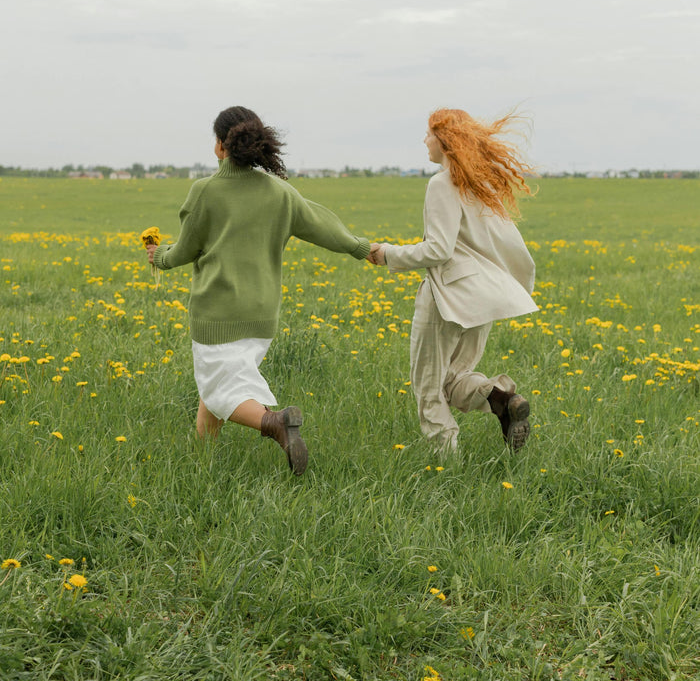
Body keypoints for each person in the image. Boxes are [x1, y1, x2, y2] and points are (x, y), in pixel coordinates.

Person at [146, 106, 371, 475]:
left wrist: (160, 257)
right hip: (262, 315)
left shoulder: (205, 191)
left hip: (217, 312)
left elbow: (185, 250)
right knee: (217, 382)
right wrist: (360, 247)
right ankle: (203, 458)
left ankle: (276, 423)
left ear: (221, 146)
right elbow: (321, 224)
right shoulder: (280, 192)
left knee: (222, 387)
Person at [368, 108, 538, 455]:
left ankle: (447, 466)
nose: (424, 140)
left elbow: (438, 250)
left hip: (447, 297)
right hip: (484, 296)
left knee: (429, 388)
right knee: (453, 379)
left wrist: (387, 254)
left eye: (429, 133)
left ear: (445, 140)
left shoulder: (442, 183)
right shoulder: (479, 182)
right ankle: (501, 399)